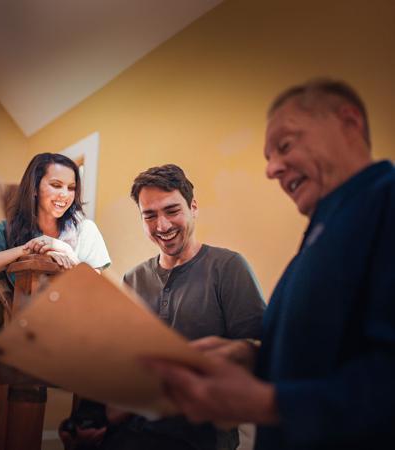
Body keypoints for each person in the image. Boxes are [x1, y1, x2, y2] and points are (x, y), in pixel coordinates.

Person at [142, 79, 395, 450]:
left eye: (285, 145)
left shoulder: (385, 203)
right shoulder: (324, 232)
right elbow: (333, 352)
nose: (272, 169)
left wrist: (268, 403)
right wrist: (253, 358)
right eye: (268, 157)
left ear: (349, 123)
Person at [61, 164, 265, 450]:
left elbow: (258, 354)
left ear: (193, 208)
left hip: (199, 435)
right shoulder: (133, 279)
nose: (162, 226)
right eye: (150, 216)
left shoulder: (228, 267)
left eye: (172, 211)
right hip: (131, 429)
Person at [0, 152, 111, 284]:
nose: (65, 194)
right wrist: (27, 249)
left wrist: (67, 252)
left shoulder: (85, 229)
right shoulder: (8, 229)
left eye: (71, 188)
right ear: (34, 188)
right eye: (56, 185)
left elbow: (94, 287)